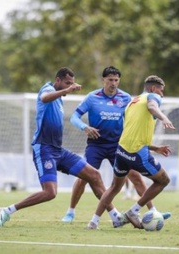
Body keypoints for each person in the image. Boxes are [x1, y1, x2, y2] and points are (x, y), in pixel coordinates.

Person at [0, 67, 125, 227]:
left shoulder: (60, 98)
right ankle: (7, 210)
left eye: (71, 83)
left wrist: (67, 90)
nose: (69, 86)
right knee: (50, 193)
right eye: (67, 83)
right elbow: (44, 98)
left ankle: (115, 216)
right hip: (44, 149)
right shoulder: (48, 89)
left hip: (58, 150)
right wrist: (68, 89)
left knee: (94, 175)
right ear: (58, 80)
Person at [61, 66, 170, 223]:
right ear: (103, 80)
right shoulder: (92, 97)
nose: (113, 83)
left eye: (116, 80)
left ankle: (152, 210)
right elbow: (74, 117)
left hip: (118, 146)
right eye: (110, 80)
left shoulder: (126, 98)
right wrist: (85, 127)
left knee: (135, 177)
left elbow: (133, 123)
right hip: (96, 145)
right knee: (84, 176)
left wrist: (150, 146)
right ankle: (70, 212)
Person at [87, 75, 175, 229]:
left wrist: (155, 148)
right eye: (161, 91)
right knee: (163, 180)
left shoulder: (132, 103)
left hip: (120, 151)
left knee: (114, 187)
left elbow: (133, 133)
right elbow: (152, 107)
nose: (162, 94)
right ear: (154, 88)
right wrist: (164, 118)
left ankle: (93, 222)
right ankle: (133, 211)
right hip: (136, 152)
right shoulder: (152, 97)